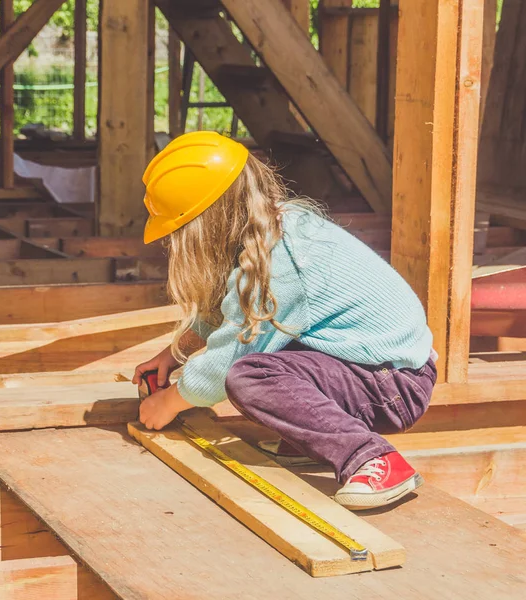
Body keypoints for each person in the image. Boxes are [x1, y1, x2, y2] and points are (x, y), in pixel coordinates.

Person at [133, 131, 437, 511]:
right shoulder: (272, 229)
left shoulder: (283, 262)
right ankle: (315, 439)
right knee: (264, 353)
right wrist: (173, 355)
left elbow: (228, 360)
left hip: (394, 385)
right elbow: (233, 311)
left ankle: (372, 458)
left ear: (201, 225)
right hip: (378, 369)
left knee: (249, 375)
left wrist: (171, 402)